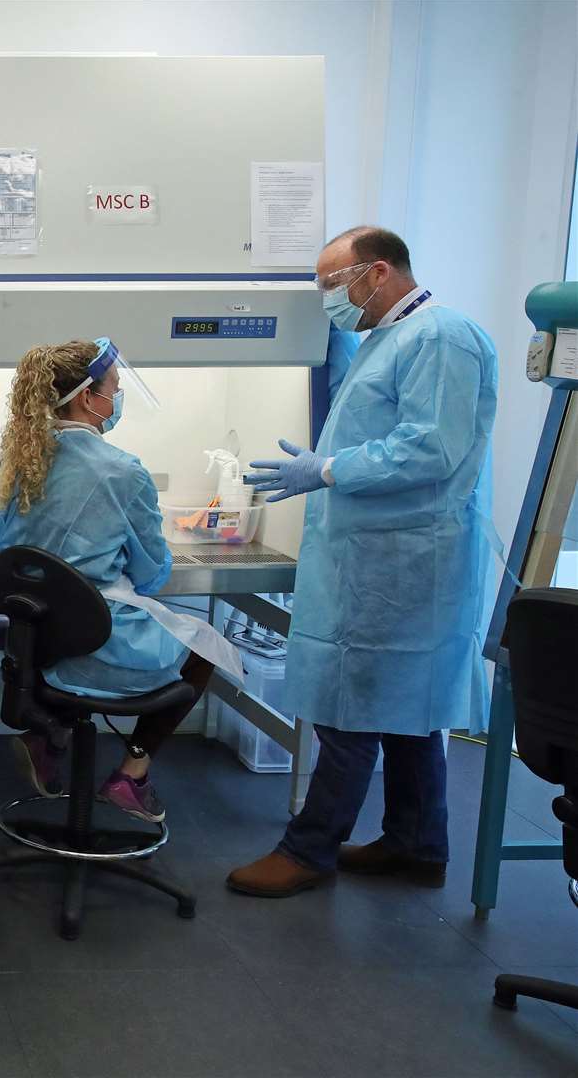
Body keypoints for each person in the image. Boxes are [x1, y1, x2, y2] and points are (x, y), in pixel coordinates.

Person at [228, 226, 498, 898]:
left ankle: (309, 848)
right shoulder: (391, 339)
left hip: (404, 562)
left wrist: (326, 468)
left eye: (329, 283)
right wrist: (327, 466)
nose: (325, 299)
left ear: (375, 272)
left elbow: (429, 449)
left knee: (350, 708)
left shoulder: (441, 337)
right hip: (380, 553)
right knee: (405, 712)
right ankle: (415, 842)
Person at [0, 339, 243, 823]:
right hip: (101, 653)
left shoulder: (4, 466)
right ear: (85, 399)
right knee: (207, 647)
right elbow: (152, 574)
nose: (116, 400)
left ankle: (47, 732)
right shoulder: (123, 472)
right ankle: (131, 775)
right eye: (113, 389)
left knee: (89, 637)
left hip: (32, 654)